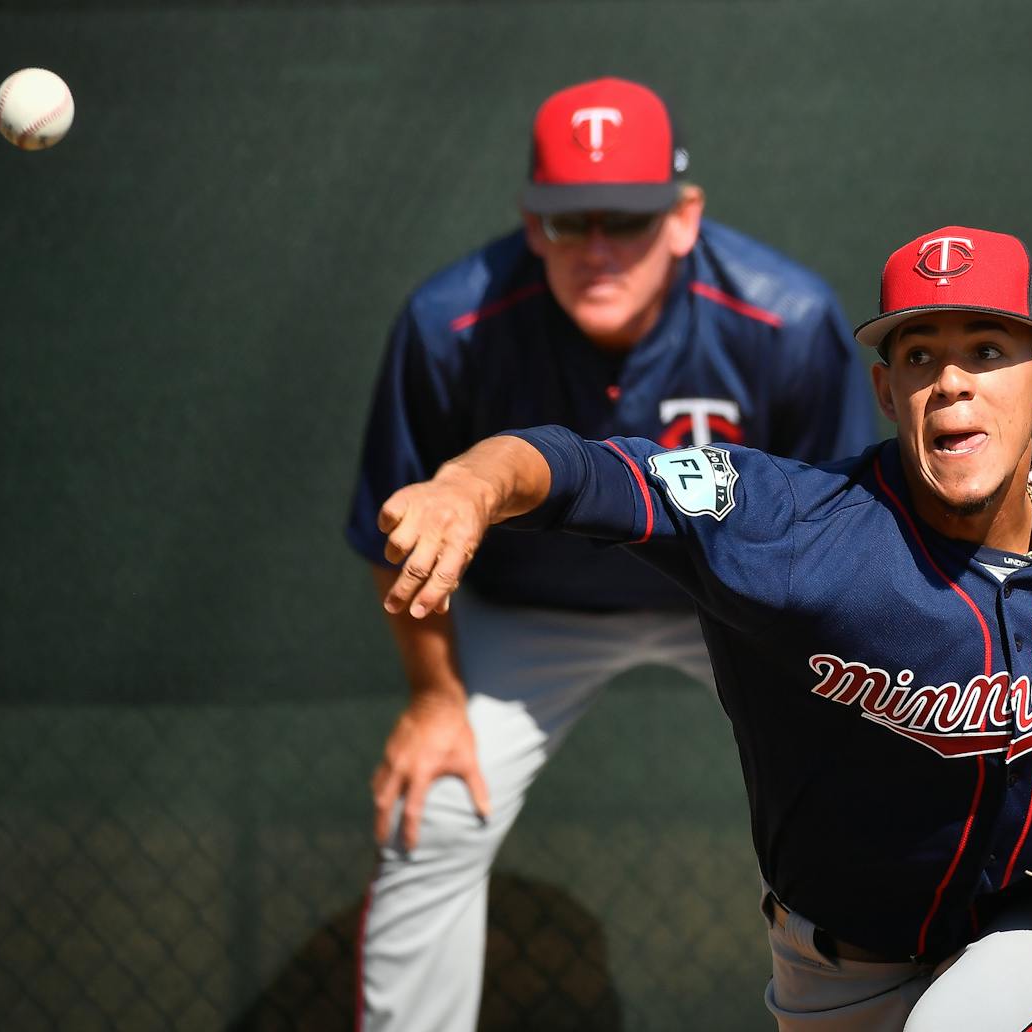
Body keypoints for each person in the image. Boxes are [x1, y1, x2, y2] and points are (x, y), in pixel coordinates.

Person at [371, 225, 1032, 1030]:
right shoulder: (791, 526)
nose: (951, 381)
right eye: (920, 356)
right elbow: (580, 468)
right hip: (829, 962)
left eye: (988, 349)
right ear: (886, 389)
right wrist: (469, 487)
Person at [345, 77, 878, 1031]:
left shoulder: (784, 322)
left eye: (626, 220)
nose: (597, 249)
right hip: (525, 610)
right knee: (430, 815)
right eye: (567, 220)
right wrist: (432, 700)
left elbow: (836, 535)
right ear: (529, 219)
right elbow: (401, 531)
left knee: (862, 800)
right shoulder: (451, 325)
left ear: (682, 219)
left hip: (733, 606)